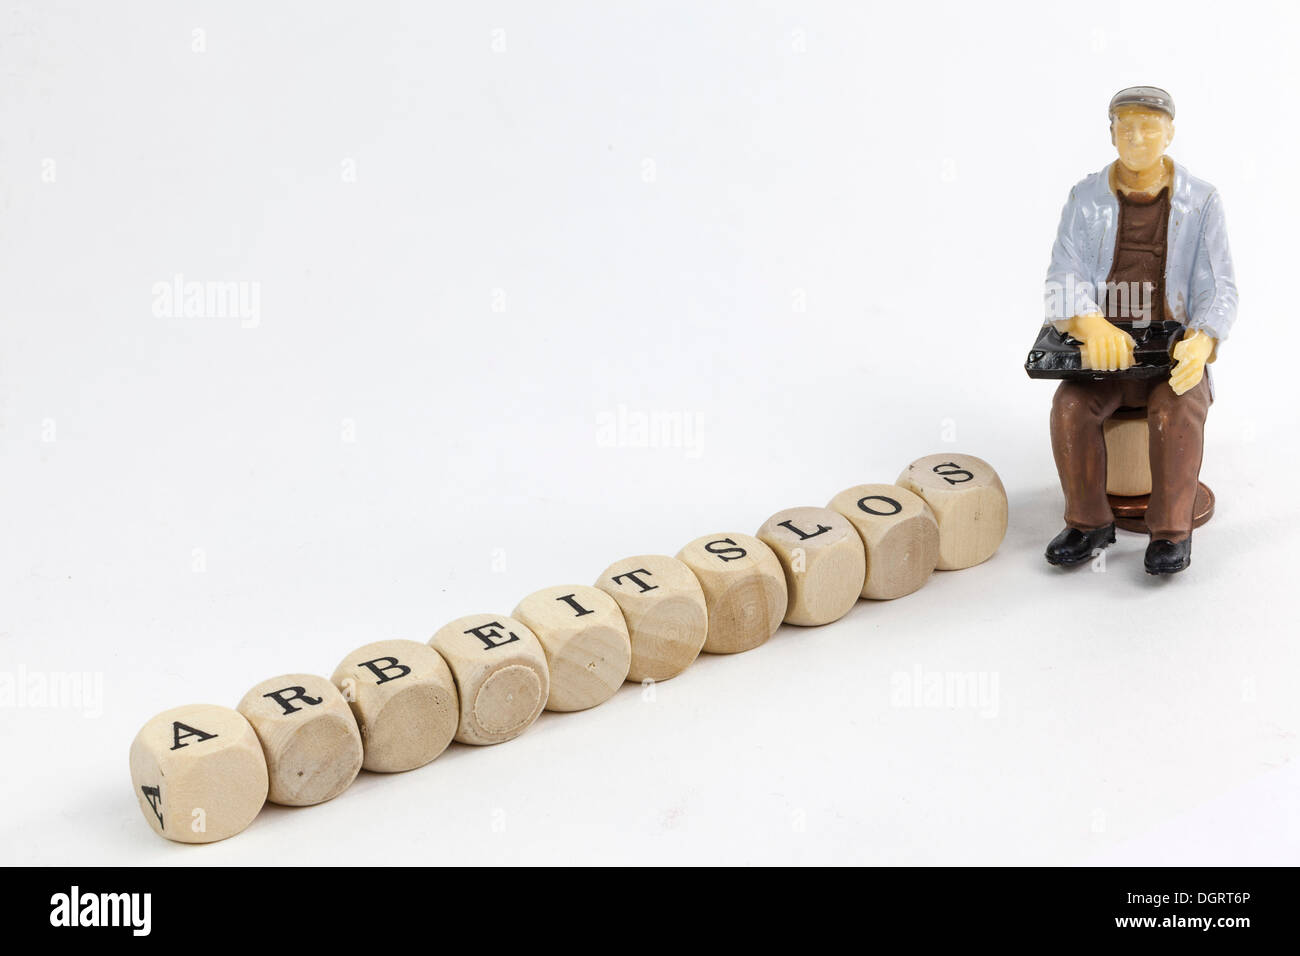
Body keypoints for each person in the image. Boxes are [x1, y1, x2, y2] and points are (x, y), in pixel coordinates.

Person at [1042, 86, 1237, 574]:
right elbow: (1061, 278)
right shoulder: (1085, 198)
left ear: (1170, 132)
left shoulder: (1202, 201)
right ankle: (1088, 523)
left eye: (1149, 126)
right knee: (1070, 407)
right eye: (1125, 126)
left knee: (1177, 409)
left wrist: (1204, 338)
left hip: (1170, 349)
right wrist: (1090, 325)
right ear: (1111, 134)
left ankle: (1171, 531)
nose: (1137, 137)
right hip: (1108, 351)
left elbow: (1222, 287)